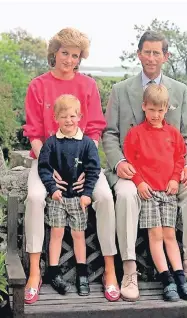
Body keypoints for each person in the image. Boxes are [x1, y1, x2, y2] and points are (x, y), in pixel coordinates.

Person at [102, 30, 187, 301]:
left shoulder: (179, 90)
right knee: (127, 195)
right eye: (147, 52)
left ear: (166, 56)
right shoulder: (120, 90)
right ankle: (129, 270)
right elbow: (110, 134)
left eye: (157, 53)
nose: (151, 58)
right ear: (139, 53)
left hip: (170, 173)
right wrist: (118, 163)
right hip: (134, 172)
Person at [23, 27, 120, 304]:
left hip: (82, 162)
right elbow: (34, 134)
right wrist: (48, 163)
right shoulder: (37, 86)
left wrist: (83, 171)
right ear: (54, 53)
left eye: (75, 55)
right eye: (64, 53)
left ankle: (110, 271)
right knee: (34, 197)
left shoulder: (88, 86)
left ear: (80, 58)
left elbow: (95, 132)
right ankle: (34, 273)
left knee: (104, 196)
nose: (69, 60)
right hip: (46, 160)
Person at [123, 83, 187, 301]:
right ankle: (167, 281)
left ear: (166, 109)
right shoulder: (135, 134)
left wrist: (176, 179)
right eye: (151, 109)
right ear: (144, 106)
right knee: (155, 236)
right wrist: (138, 182)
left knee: (170, 236)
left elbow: (179, 159)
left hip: (168, 191)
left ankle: (181, 280)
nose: (155, 115)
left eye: (160, 110)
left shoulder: (173, 134)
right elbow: (130, 162)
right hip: (148, 193)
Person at [38, 94, 100, 296]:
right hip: (58, 198)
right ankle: (54, 273)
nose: (69, 120)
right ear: (56, 117)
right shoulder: (51, 143)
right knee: (56, 233)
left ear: (79, 116)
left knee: (78, 235)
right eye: (64, 116)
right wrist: (52, 189)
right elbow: (44, 168)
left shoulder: (87, 144)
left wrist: (88, 194)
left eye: (73, 116)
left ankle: (82, 274)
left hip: (78, 199)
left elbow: (93, 170)